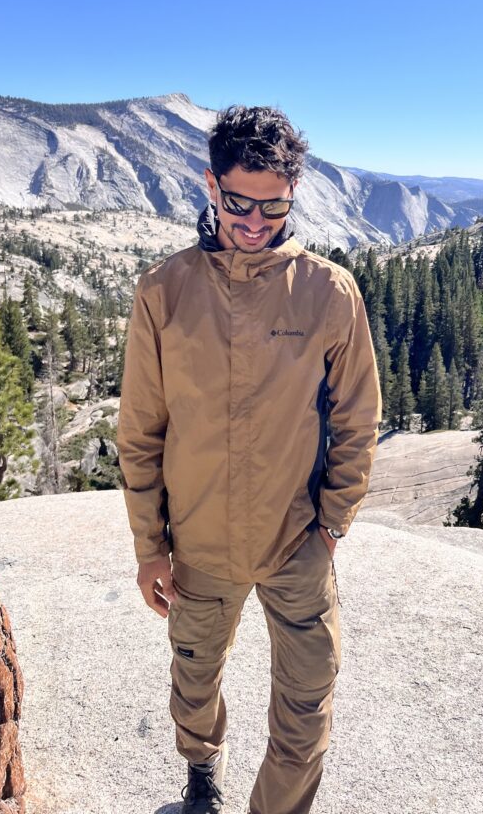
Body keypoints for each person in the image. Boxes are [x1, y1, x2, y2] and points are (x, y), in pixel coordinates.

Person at [117, 105, 382, 814]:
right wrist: (150, 547)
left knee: (307, 711)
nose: (255, 221)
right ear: (211, 185)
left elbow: (358, 417)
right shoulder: (164, 290)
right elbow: (141, 431)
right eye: (239, 202)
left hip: (296, 543)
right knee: (194, 680)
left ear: (294, 195)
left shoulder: (328, 292)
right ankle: (202, 767)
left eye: (274, 206)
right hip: (198, 544)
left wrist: (332, 525)